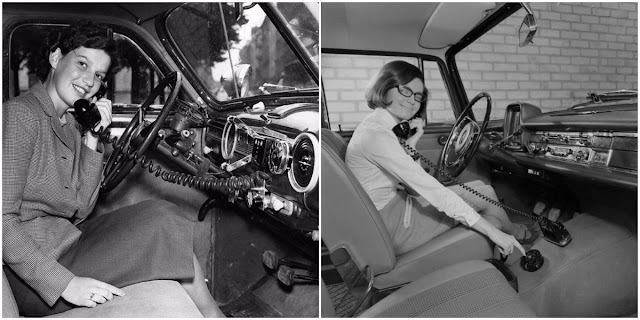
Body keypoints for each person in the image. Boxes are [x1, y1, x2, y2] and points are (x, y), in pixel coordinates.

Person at [2, 20, 224, 317]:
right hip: (35, 275)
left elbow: (80, 209)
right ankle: (214, 315)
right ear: (56, 58)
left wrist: (92, 137)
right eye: (81, 63)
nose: (89, 80)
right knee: (163, 224)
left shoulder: (69, 123)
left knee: (162, 213)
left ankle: (212, 314)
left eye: (98, 75)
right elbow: (1, 223)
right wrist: (67, 284)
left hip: (67, 242)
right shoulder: (20, 116)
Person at [346, 60, 536, 257]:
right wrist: (494, 233)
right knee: (485, 202)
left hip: (396, 210)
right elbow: (429, 189)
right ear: (384, 87)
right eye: (405, 91)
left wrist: (414, 138)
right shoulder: (377, 136)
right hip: (393, 228)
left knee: (483, 188)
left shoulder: (378, 127)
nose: (412, 100)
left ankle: (512, 232)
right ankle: (512, 237)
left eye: (418, 96)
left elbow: (411, 182)